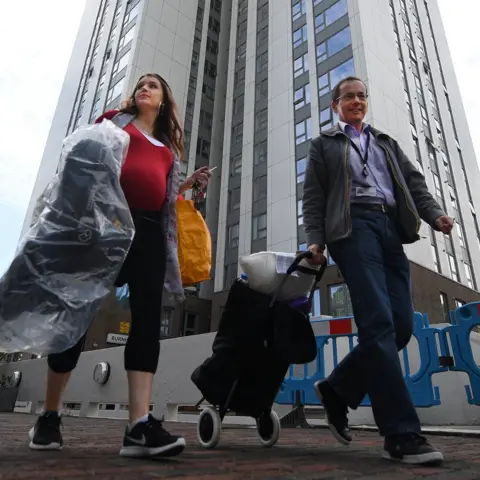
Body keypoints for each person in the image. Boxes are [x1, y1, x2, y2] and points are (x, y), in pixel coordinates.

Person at [28, 73, 212, 458]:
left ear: (163, 101)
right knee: (78, 315)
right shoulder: (113, 123)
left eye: (154, 85)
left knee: (146, 322)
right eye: (141, 84)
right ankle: (49, 415)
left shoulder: (166, 150)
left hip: (147, 234)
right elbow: (82, 164)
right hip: (104, 227)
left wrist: (186, 183)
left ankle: (138, 427)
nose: (144, 88)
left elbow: (159, 192)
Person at [303, 76, 453, 465]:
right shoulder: (324, 145)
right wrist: (315, 240)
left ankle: (337, 389)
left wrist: (435, 214)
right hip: (352, 230)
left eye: (361, 95)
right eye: (347, 96)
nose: (356, 100)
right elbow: (315, 197)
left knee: (401, 326)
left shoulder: (385, 142)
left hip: (391, 228)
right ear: (336, 105)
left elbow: (414, 183)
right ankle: (402, 434)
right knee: (378, 324)